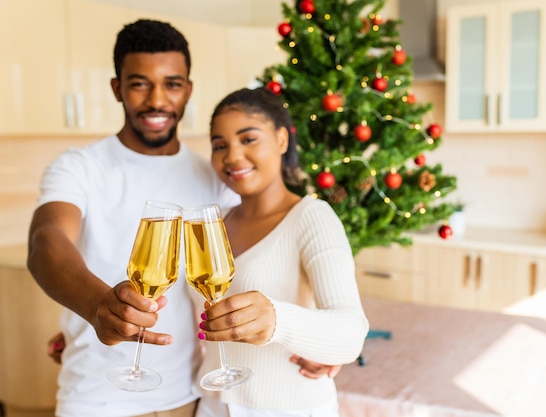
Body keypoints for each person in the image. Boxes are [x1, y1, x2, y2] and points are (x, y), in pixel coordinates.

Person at [29, 19, 337, 417]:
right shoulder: (79, 167)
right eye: (139, 83)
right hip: (96, 398)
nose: (157, 99)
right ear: (116, 88)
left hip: (188, 396)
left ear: (188, 89)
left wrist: (326, 342)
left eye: (172, 84)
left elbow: (272, 253)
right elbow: (47, 241)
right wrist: (94, 307)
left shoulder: (215, 177)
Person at [193, 87, 369, 417]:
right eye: (220, 145)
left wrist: (277, 319)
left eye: (248, 139)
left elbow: (351, 333)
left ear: (281, 140)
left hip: (290, 408)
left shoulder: (312, 218)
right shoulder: (214, 225)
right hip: (212, 406)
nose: (232, 156)